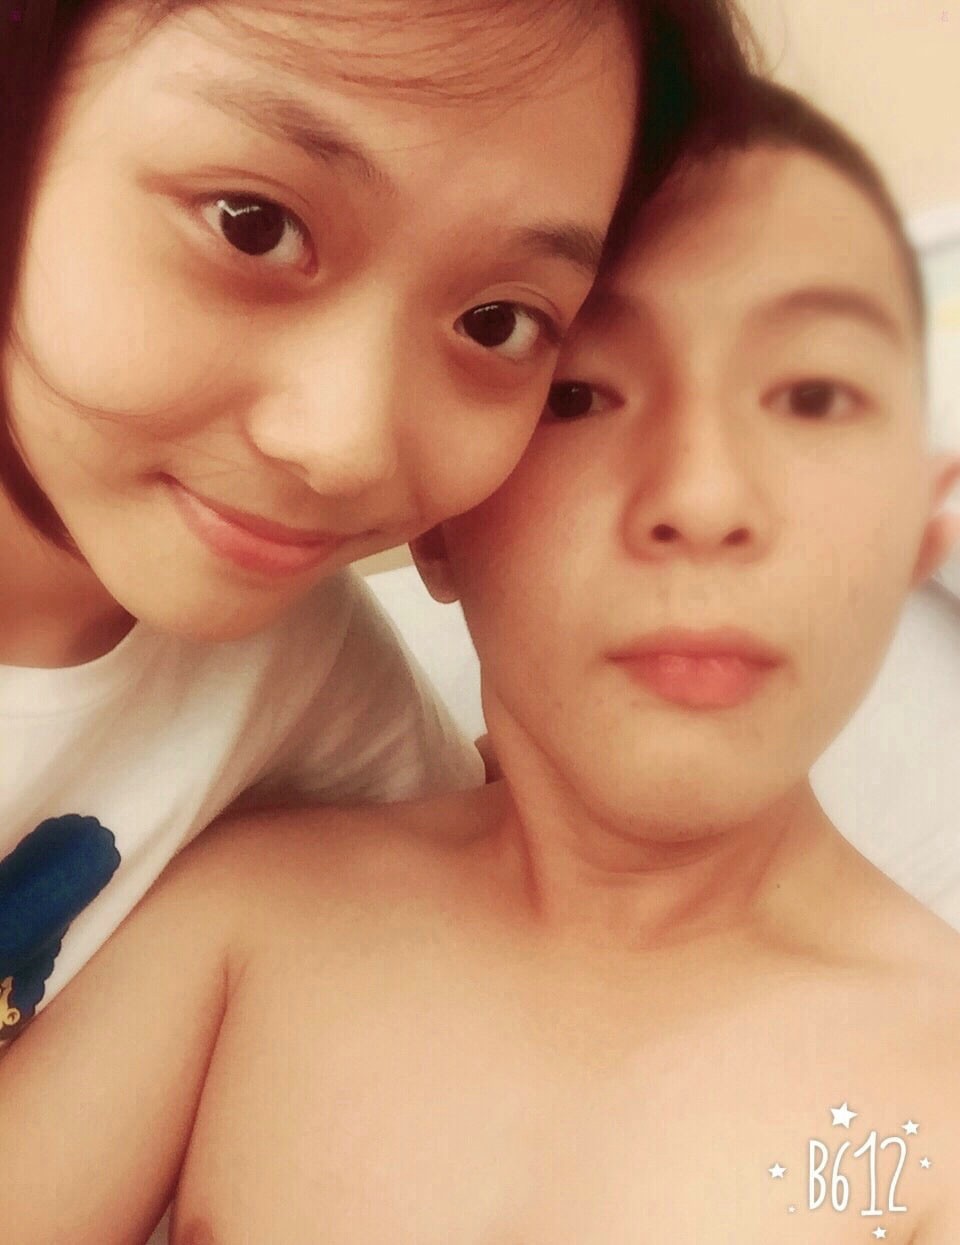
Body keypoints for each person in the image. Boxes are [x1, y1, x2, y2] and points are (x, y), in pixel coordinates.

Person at [9, 74, 960, 1244]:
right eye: (580, 395)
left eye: (812, 397)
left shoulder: (927, 1117)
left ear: (919, 521)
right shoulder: (247, 927)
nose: (704, 499)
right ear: (441, 526)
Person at [0, 0, 760, 1042]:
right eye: (251, 224)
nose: (346, 444)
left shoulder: (305, 680)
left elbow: (511, 870)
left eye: (497, 321)